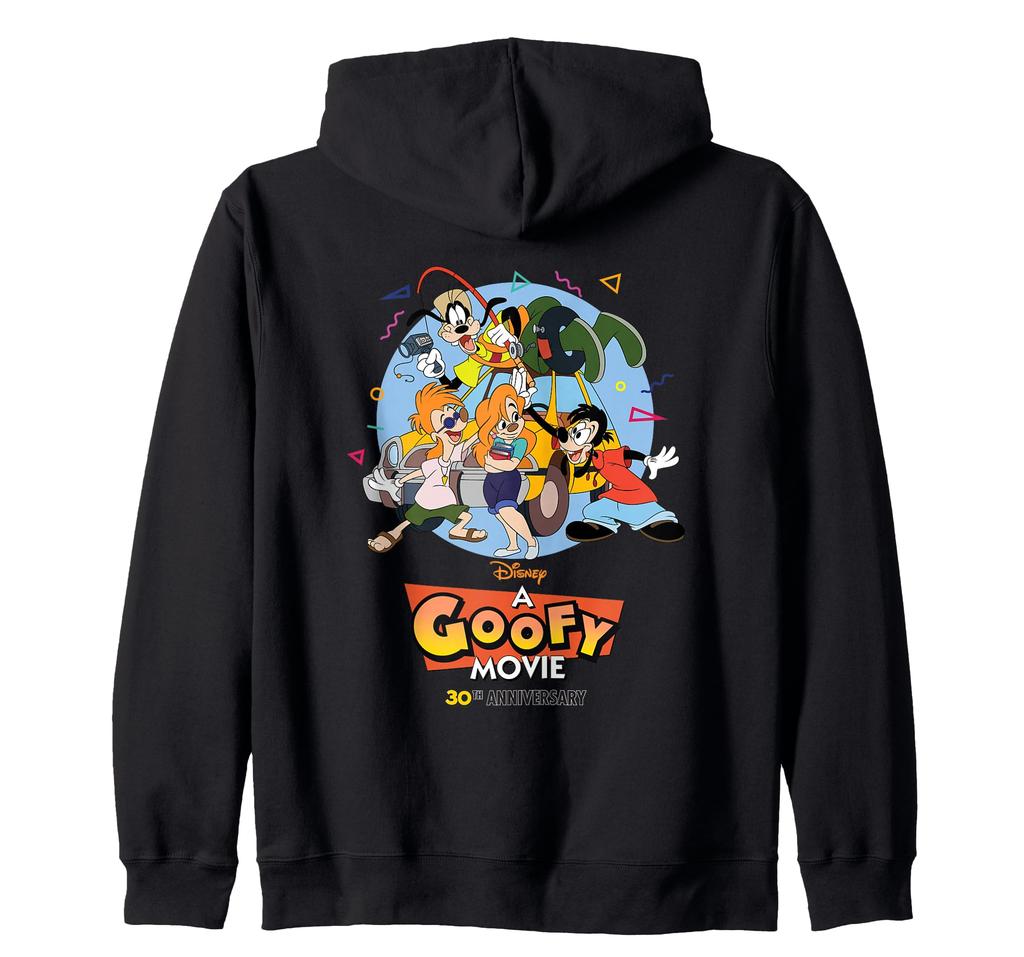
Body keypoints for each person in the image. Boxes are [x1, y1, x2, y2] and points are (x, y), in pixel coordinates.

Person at [366, 383, 485, 553]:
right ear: (435, 435)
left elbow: (468, 443)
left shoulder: (452, 454)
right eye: (449, 421)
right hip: (428, 499)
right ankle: (386, 539)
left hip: (444, 499)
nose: (458, 422)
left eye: (458, 415)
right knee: (407, 522)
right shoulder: (434, 461)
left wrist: (484, 429)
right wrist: (399, 481)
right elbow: (420, 471)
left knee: (465, 516)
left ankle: (456, 531)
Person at [473, 384, 539, 559]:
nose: (512, 425)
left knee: (507, 511)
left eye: (515, 416)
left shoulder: (520, 442)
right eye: (503, 423)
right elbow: (487, 466)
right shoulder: (497, 441)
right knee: (501, 515)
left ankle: (531, 542)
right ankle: (513, 545)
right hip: (491, 482)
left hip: (509, 479)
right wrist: (492, 464)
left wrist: (492, 463)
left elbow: (511, 465)